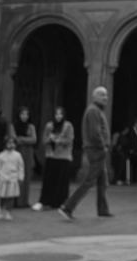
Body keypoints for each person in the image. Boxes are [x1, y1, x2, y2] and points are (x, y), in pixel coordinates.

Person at [60, 87, 114, 220]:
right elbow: (95, 132)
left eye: (106, 95)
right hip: (96, 150)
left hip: (96, 149)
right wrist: (103, 146)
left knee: (103, 181)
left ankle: (102, 209)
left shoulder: (96, 110)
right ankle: (67, 207)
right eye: (102, 95)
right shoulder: (93, 111)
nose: (105, 97)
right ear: (94, 97)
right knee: (89, 181)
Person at [33, 107, 73, 211]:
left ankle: (61, 203)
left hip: (64, 157)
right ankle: (44, 201)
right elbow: (43, 140)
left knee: (62, 182)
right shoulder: (49, 125)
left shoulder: (68, 126)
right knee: (48, 181)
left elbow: (69, 140)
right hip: (51, 155)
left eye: (60, 114)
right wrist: (49, 139)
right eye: (56, 114)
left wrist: (57, 140)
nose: (58, 116)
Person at [0, 136, 24, 221]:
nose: (11, 145)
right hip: (2, 179)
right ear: (5, 144)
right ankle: (1, 210)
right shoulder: (1, 155)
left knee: (10, 197)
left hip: (13, 179)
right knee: (2, 196)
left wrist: (20, 177)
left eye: (13, 143)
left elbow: (21, 167)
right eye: (9, 143)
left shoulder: (18, 155)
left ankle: (8, 212)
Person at [11, 107, 37, 208]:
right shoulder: (13, 125)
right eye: (22, 114)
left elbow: (34, 139)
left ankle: (23, 201)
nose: (24, 116)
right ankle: (14, 200)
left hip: (28, 153)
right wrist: (25, 139)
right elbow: (14, 138)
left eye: (26, 114)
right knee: (15, 174)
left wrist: (21, 139)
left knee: (26, 175)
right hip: (17, 151)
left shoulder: (31, 126)